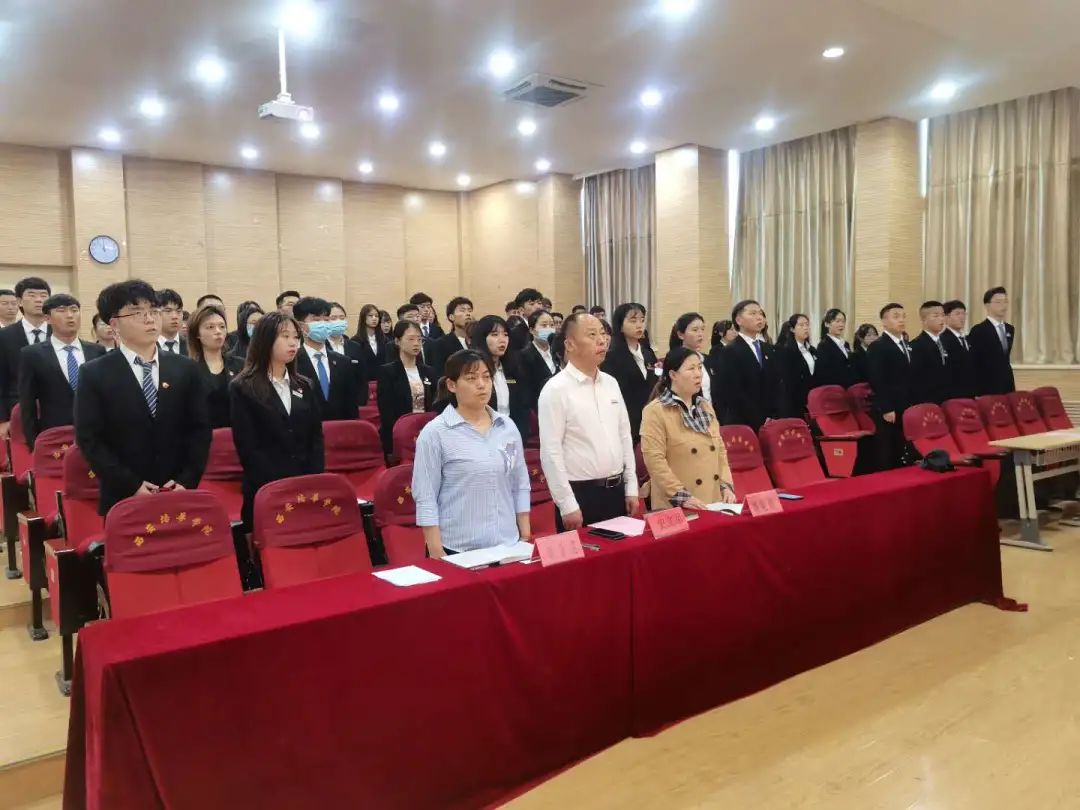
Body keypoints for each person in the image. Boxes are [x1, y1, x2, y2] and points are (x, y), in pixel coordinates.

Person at [74, 280, 210, 515]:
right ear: (114, 324)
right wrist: (131, 485)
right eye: (137, 313)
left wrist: (186, 480)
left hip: (178, 492)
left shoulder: (185, 368)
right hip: (124, 497)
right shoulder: (94, 373)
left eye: (154, 311)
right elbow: (90, 440)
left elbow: (200, 429)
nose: (150, 319)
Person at [413, 350, 531, 557]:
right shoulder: (435, 433)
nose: (482, 384)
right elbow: (425, 497)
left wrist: (525, 533)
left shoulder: (507, 427)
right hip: (458, 549)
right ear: (452, 385)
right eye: (471, 378)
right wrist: (436, 551)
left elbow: (519, 482)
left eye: (486, 377)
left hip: (508, 544)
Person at [538, 313, 637, 530]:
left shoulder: (611, 383)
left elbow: (624, 436)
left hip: (616, 490)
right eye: (592, 335)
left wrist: (631, 486)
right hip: (580, 494)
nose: (602, 340)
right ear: (570, 344)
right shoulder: (555, 389)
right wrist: (566, 504)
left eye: (603, 333)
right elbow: (551, 452)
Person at [229, 312, 323, 530]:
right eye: (285, 336)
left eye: (296, 337)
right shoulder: (243, 387)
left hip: (305, 486)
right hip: (267, 488)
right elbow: (248, 448)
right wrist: (281, 485)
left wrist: (312, 479)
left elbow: (316, 439)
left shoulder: (305, 385)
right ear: (265, 340)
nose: (293, 343)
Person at [640, 347, 737, 510]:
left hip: (712, 501)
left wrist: (726, 485)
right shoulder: (655, 411)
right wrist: (681, 496)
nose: (698, 374)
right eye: (691, 369)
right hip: (677, 504)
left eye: (699, 367)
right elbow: (655, 461)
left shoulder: (705, 406)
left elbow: (720, 450)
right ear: (673, 375)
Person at [18, 294, 105, 449]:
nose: (70, 315)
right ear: (47, 318)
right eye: (62, 310)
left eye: (74, 310)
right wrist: (34, 442)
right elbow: (27, 402)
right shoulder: (32, 354)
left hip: (96, 434)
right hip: (54, 435)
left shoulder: (97, 351)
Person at [292, 297, 362, 420]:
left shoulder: (343, 362)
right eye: (316, 320)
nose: (323, 324)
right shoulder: (292, 361)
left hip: (340, 428)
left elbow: (351, 406)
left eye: (326, 319)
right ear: (300, 325)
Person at [716, 300, 782, 432]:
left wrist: (774, 415)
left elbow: (776, 383)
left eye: (760, 314)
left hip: (770, 421)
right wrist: (759, 419)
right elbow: (733, 391)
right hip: (743, 422)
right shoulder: (730, 350)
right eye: (752, 313)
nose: (759, 317)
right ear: (739, 320)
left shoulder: (768, 348)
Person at [0, 276, 52, 438]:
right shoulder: (4, 336)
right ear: (19, 301)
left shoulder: (60, 333)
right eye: (32, 295)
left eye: (43, 295)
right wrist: (2, 419)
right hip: (17, 412)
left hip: (55, 413)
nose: (39, 300)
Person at [601, 303, 658, 444]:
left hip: (651, 421)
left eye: (642, 320)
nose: (639, 325)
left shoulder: (648, 354)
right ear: (620, 326)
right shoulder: (611, 357)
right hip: (626, 422)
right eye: (633, 321)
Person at [376, 320, 435, 455]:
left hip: (426, 431)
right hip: (400, 433)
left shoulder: (429, 371)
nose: (416, 343)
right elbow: (387, 412)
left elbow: (433, 404)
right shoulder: (387, 372)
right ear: (397, 341)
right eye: (411, 339)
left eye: (419, 339)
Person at [865, 303, 912, 470]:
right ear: (884, 321)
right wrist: (886, 407)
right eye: (896, 316)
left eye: (903, 316)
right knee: (888, 449)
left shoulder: (906, 344)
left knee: (903, 446)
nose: (901, 320)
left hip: (906, 403)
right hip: (889, 407)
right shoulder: (878, 346)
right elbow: (876, 378)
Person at [472, 315, 531, 441]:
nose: (502, 340)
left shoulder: (514, 369)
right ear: (482, 338)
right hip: (481, 437)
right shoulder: (472, 370)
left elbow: (522, 407)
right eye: (494, 335)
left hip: (511, 436)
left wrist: (517, 436)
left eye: (505, 335)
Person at [188, 305, 244, 429]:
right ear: (197, 333)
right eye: (210, 327)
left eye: (222, 326)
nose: (218, 331)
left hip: (237, 434)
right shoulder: (188, 369)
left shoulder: (240, 365)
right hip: (204, 435)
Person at [968, 286, 1016, 395]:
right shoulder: (978, 330)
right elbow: (973, 362)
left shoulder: (1010, 329)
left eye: (1005, 302)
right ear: (987, 305)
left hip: (1007, 384)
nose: (1003, 305)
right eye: (998, 302)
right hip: (986, 386)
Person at [671, 312, 716, 409]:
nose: (700, 334)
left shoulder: (707, 359)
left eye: (702, 329)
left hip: (709, 413)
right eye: (695, 330)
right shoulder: (675, 360)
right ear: (680, 334)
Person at [909, 300, 950, 405]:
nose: (941, 319)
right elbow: (916, 379)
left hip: (947, 399)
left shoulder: (946, 342)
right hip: (927, 401)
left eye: (942, 315)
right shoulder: (916, 345)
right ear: (924, 320)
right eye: (936, 316)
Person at [519, 309, 559, 415]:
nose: (549, 329)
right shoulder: (524, 356)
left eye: (551, 325)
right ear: (532, 330)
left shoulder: (558, 353)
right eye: (544, 325)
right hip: (538, 411)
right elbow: (526, 391)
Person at [775, 313, 815, 418]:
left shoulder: (812, 350)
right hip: (794, 399)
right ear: (792, 329)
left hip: (811, 397)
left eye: (807, 324)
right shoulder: (786, 350)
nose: (805, 328)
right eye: (801, 325)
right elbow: (787, 379)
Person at [326, 301, 368, 398]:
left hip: (352, 399)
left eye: (342, 318)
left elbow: (362, 376)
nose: (338, 321)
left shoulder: (355, 346)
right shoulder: (321, 347)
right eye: (333, 318)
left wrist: (360, 399)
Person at [940, 300, 977, 400]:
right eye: (957, 314)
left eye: (963, 313)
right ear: (946, 317)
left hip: (970, 394)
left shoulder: (967, 339)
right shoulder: (942, 340)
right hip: (953, 396)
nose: (962, 317)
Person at [430, 296, 473, 377]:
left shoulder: (478, 340)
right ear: (451, 317)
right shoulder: (442, 343)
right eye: (462, 310)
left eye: (470, 310)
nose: (468, 314)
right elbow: (440, 373)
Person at [813, 308, 855, 389]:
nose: (841, 324)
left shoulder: (845, 344)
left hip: (848, 388)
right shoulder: (824, 345)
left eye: (843, 321)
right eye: (837, 321)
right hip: (833, 389)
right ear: (827, 324)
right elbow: (823, 372)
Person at [354, 303, 388, 379]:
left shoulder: (385, 340)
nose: (374, 318)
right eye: (370, 315)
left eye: (376, 316)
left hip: (383, 380)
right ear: (363, 318)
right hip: (364, 381)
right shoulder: (355, 341)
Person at [154, 289, 188, 356]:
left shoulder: (191, 346)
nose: (175, 316)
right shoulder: (147, 346)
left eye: (178, 311)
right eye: (168, 311)